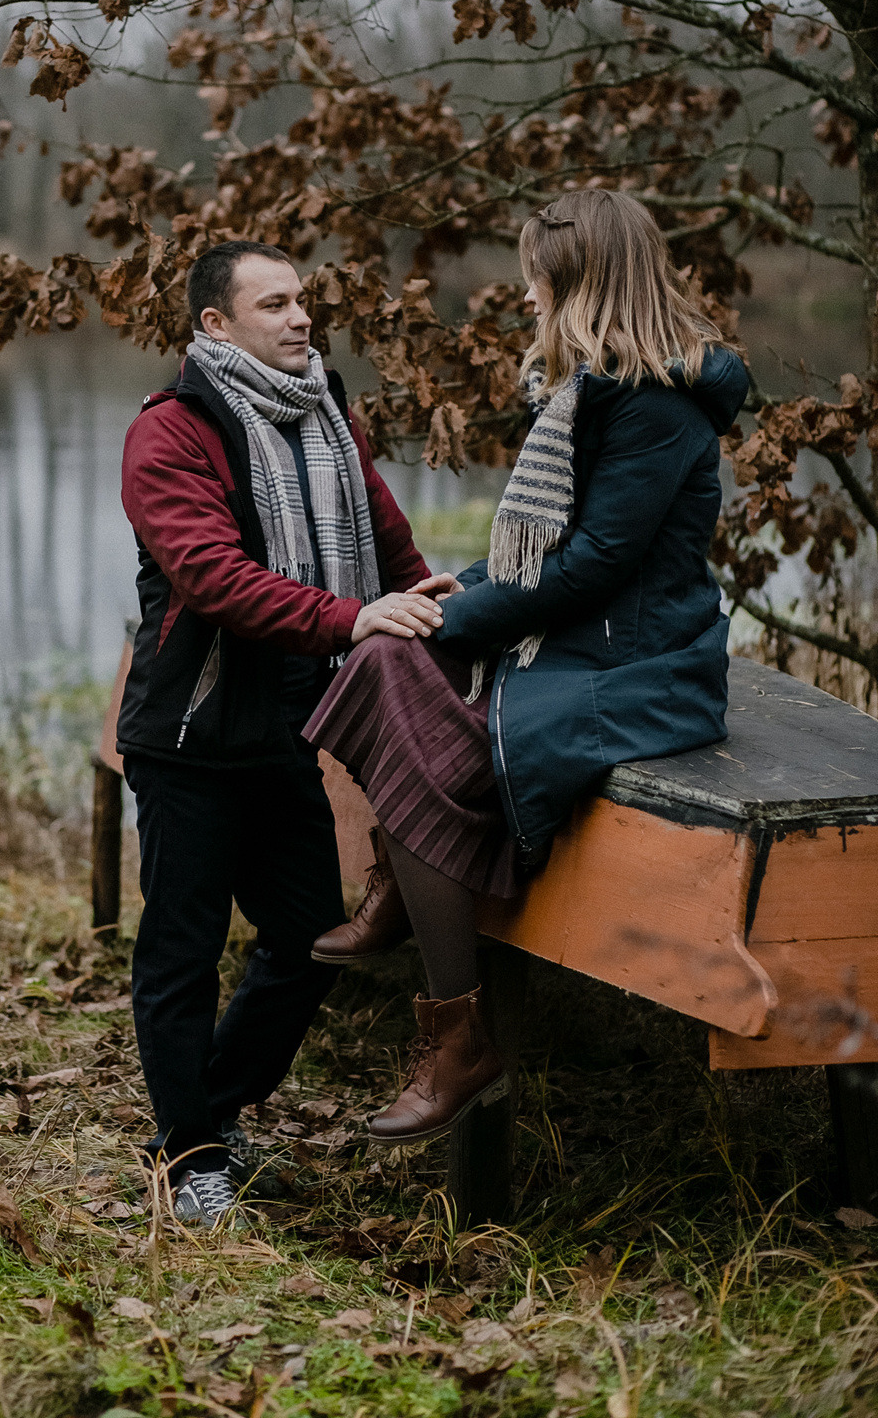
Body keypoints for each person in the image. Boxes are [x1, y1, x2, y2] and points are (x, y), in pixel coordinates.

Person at [307, 189, 749, 1150]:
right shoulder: (592, 390)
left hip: (638, 670)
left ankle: (457, 1030)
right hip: (580, 647)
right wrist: (457, 595)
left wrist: (457, 617)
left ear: (585, 283)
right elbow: (553, 557)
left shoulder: (656, 406)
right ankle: (428, 959)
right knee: (386, 651)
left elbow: (593, 565)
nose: (528, 300)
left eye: (538, 282)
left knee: (434, 746)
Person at [118, 239, 452, 1227]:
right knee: (179, 951)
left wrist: (426, 604)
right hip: (186, 740)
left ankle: (200, 1118)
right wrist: (350, 618)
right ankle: (192, 1162)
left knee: (310, 941)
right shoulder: (170, 434)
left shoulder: (325, 418)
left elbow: (387, 544)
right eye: (274, 304)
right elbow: (212, 580)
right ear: (214, 325)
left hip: (280, 732)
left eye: (303, 300)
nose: (301, 318)